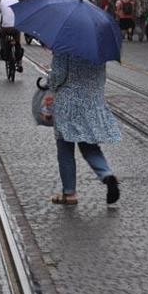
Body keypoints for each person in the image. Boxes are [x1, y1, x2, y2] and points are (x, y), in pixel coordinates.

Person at [48, 52, 121, 206]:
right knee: (90, 147)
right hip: (92, 104)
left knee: (65, 149)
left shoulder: (65, 47)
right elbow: (101, 78)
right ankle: (107, 175)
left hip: (68, 104)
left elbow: (57, 76)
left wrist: (50, 81)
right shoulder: (97, 47)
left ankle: (69, 193)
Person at [0, 0, 23, 72]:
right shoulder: (17, 0)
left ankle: (3, 54)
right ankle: (19, 63)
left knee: (2, 37)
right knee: (18, 43)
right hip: (16, 27)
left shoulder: (0, 1)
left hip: (5, 27)